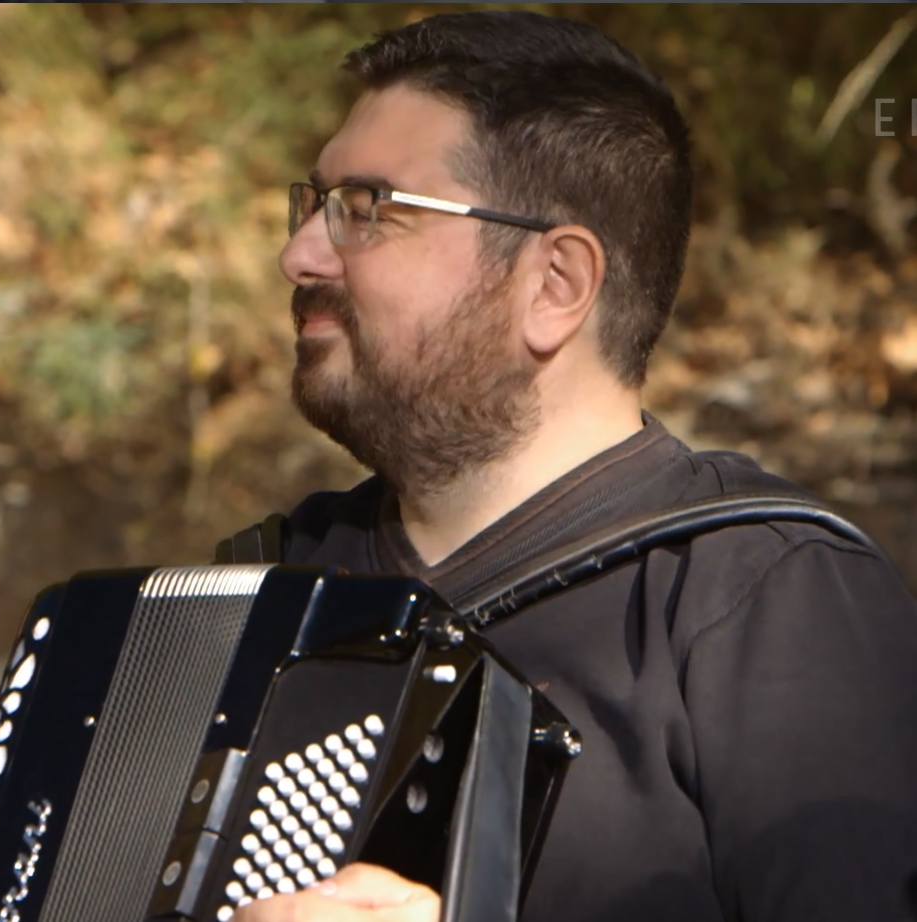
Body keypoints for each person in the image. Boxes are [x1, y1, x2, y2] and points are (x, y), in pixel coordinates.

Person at [227, 10, 917, 922]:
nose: (298, 253)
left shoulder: (765, 600)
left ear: (555, 284)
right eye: (314, 203)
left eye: (366, 209)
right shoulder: (260, 593)